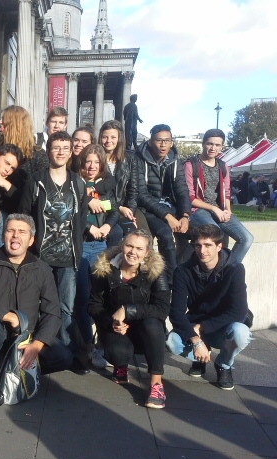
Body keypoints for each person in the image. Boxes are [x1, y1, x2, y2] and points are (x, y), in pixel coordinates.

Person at [0, 214, 73, 399]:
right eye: (10, 230)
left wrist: (37, 345)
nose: (15, 235)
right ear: (3, 236)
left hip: (27, 336)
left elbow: (52, 313)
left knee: (64, 356)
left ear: (31, 240)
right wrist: (8, 316)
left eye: (22, 232)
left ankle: (18, 369)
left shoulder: (42, 269)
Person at [19, 131, 90, 373]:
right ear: (49, 150)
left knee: (66, 308)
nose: (60, 152)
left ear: (71, 153)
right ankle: (39, 352)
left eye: (65, 148)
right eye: (56, 147)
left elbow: (81, 219)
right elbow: (25, 215)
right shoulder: (36, 181)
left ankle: (71, 354)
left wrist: (76, 246)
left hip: (68, 257)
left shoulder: (78, 183)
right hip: (41, 256)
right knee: (38, 305)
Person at [89, 229, 170, 408]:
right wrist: (111, 322)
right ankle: (121, 365)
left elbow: (162, 309)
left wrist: (127, 310)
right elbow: (94, 306)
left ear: (147, 253)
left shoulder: (156, 271)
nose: (133, 252)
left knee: (153, 325)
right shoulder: (105, 269)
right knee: (118, 354)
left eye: (139, 249)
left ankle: (156, 384)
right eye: (129, 246)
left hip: (145, 327)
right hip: (116, 327)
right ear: (122, 246)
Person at [166, 224, 252, 391]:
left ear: (219, 246)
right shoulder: (183, 271)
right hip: (196, 325)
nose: (202, 250)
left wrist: (201, 326)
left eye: (208, 245)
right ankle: (200, 358)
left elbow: (239, 311)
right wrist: (196, 340)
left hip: (223, 326)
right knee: (171, 342)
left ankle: (223, 364)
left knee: (241, 332)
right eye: (198, 245)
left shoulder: (234, 269)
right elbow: (176, 312)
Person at [75, 144, 118, 369]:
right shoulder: (75, 182)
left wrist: (108, 226)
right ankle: (88, 347)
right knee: (82, 297)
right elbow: (71, 211)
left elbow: (114, 209)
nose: (92, 166)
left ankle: (102, 345)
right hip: (81, 244)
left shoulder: (104, 185)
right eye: (88, 161)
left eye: (96, 162)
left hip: (100, 245)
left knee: (100, 297)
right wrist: (88, 227)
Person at [184, 129, 254, 263]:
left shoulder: (223, 165)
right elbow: (189, 197)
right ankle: (214, 269)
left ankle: (229, 269)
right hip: (197, 210)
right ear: (203, 144)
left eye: (217, 145)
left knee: (247, 238)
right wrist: (214, 208)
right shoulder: (191, 164)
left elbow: (226, 192)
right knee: (215, 233)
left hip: (219, 209)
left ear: (222, 147)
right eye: (210, 144)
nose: (213, 148)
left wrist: (228, 210)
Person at [136, 124, 191, 281]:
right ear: (150, 142)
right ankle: (171, 281)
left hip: (171, 207)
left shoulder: (175, 160)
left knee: (200, 234)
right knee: (166, 235)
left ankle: (179, 270)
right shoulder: (139, 160)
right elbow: (141, 195)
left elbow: (182, 190)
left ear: (171, 143)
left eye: (167, 141)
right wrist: (167, 216)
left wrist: (185, 215)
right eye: (159, 140)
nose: (163, 144)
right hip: (148, 209)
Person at [99, 120, 142, 246]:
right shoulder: (95, 159)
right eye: (105, 137)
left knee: (139, 234)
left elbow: (133, 190)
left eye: (113, 137)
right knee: (116, 232)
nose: (108, 141)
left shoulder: (129, 159)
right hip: (103, 208)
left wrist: (130, 212)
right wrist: (119, 208)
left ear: (119, 139)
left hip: (125, 208)